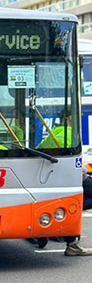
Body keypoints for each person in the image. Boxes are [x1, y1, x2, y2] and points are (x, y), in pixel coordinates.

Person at [38, 109, 92, 256]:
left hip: (55, 177)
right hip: (73, 177)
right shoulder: (69, 133)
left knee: (72, 203)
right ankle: (71, 242)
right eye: (78, 116)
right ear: (70, 117)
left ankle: (65, 236)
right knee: (74, 204)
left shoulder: (54, 132)